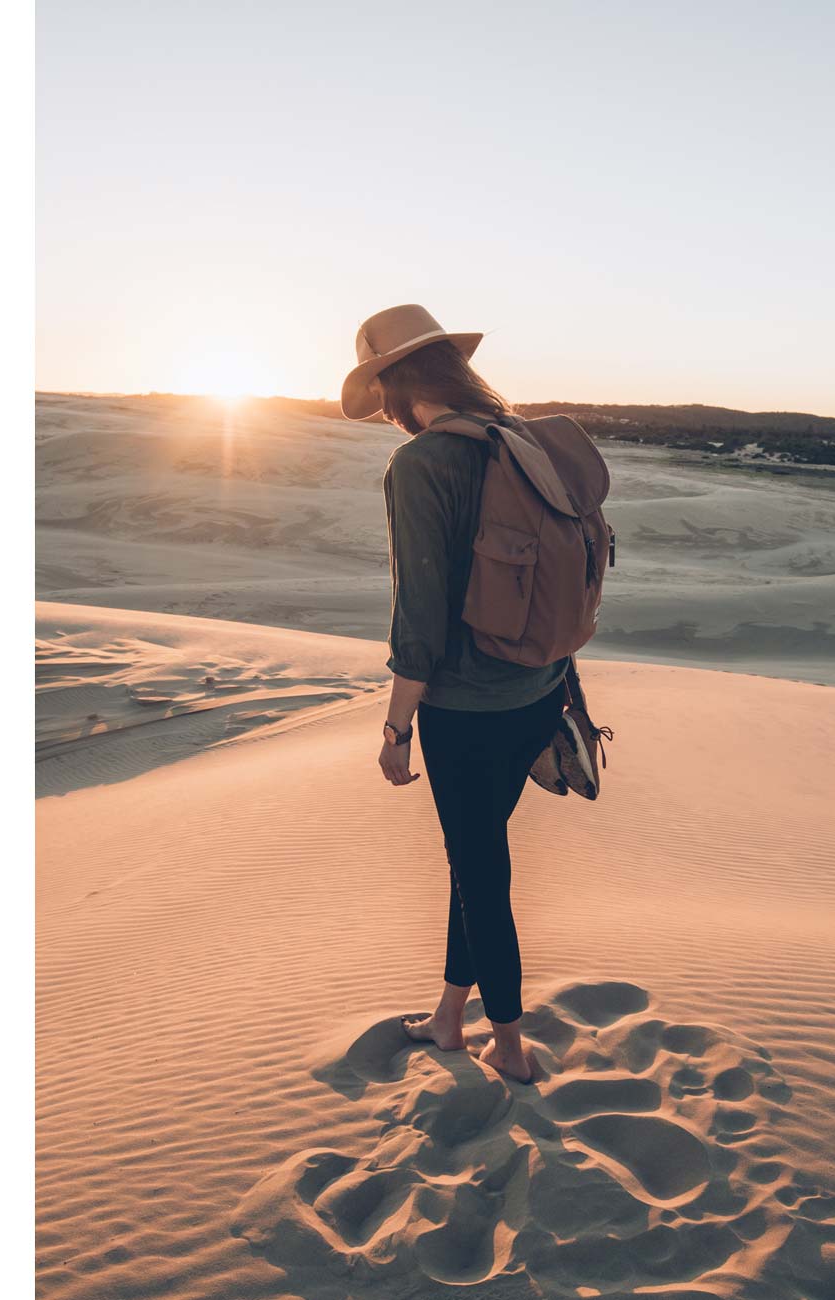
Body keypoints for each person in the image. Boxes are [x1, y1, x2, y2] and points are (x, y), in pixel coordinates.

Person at [341, 304, 569, 1084]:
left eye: (384, 400)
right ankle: (447, 1017)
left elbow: (421, 614)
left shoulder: (422, 465)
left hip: (466, 709)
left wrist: (396, 728)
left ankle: (506, 1047)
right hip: (540, 687)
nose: (387, 417)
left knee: (480, 870)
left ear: (399, 386)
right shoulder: (521, 438)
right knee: (473, 861)